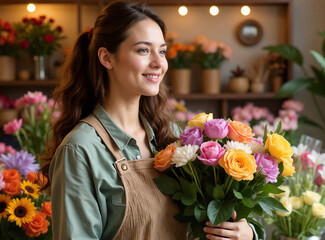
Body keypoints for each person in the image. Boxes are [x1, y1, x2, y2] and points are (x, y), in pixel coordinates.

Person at [40, 2, 255, 239]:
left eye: (162, 51)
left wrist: (244, 233)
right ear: (106, 58)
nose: (159, 63)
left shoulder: (170, 136)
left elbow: (199, 226)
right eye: (143, 50)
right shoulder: (81, 149)